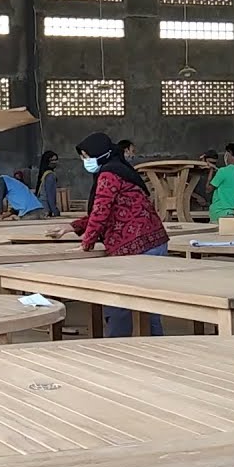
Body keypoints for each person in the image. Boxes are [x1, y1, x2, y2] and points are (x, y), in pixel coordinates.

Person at [48, 133, 170, 337]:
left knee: (119, 304)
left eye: (86, 156)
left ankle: (116, 352)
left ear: (99, 154)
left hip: (134, 248)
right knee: (151, 307)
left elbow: (101, 211)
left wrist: (86, 244)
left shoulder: (108, 175)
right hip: (154, 243)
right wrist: (71, 227)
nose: (84, 161)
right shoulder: (121, 170)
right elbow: (108, 210)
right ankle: (157, 352)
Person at [208, 142, 234, 222]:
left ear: (229, 153)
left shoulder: (222, 171)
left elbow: (208, 189)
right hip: (229, 212)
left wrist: (210, 170)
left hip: (218, 212)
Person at [35, 151, 61, 216]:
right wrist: (55, 211)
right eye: (52, 160)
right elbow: (50, 195)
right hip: (46, 210)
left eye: (56, 160)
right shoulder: (50, 175)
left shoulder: (44, 174)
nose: (55, 162)